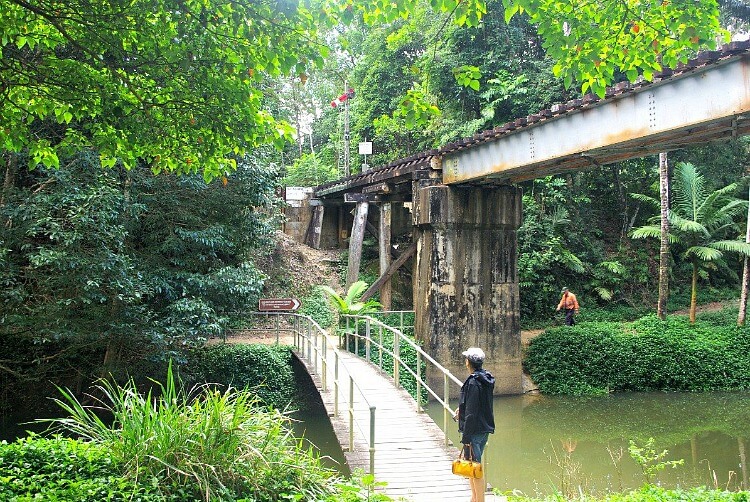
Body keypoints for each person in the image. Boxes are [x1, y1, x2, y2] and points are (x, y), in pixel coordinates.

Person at [455, 347, 495, 502]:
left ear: (468, 362)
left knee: (476, 468)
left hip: (473, 430)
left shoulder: (473, 382)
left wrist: (466, 437)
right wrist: (462, 408)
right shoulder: (485, 378)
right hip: (483, 427)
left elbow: (471, 413)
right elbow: (478, 403)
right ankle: (474, 498)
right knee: (472, 466)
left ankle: (480, 500)